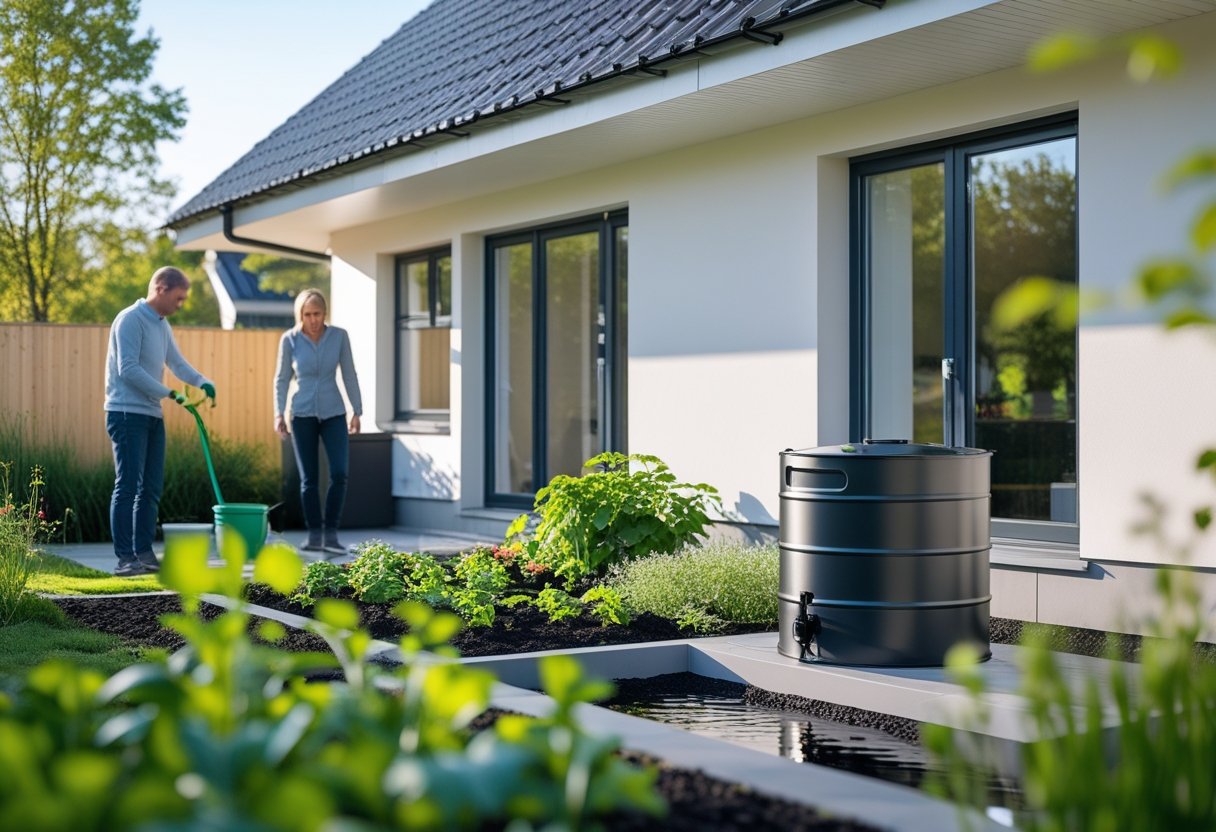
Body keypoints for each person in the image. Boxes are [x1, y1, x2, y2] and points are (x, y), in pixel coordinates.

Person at [105, 267, 215, 577]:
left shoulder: (161, 325)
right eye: (179, 298)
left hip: (152, 414)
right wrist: (170, 393)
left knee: (151, 488)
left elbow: (176, 362)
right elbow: (128, 369)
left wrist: (202, 381)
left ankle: (144, 553)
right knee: (127, 485)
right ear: (162, 288)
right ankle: (125, 558)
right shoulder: (130, 319)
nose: (181, 305)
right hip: (126, 412)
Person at [275, 288, 363, 556]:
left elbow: (349, 373)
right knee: (309, 479)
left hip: (334, 412)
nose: (313, 319)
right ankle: (315, 534)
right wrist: (278, 413)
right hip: (301, 415)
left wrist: (357, 410)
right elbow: (281, 379)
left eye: (318, 313)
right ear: (300, 315)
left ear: (325, 313)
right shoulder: (289, 340)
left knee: (340, 473)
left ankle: (331, 534)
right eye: (308, 314)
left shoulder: (339, 336)